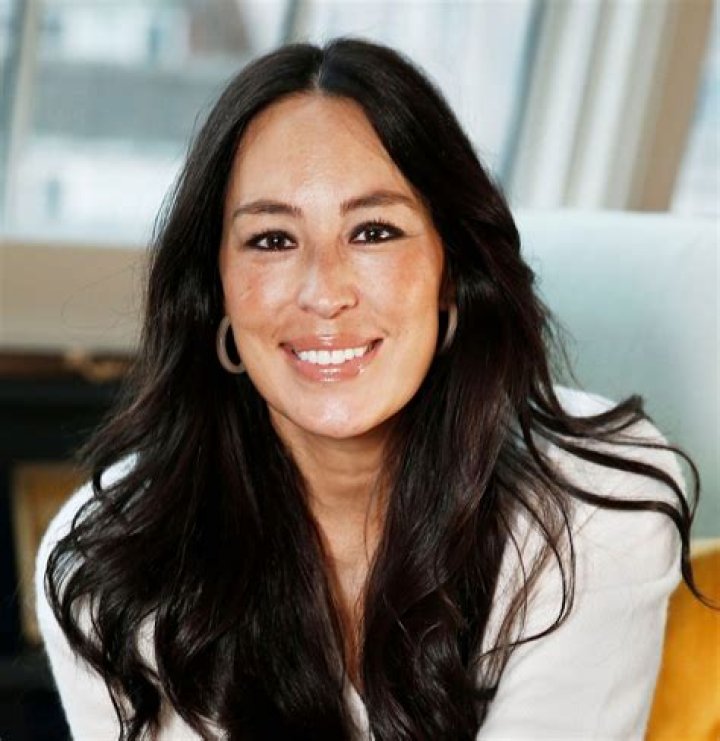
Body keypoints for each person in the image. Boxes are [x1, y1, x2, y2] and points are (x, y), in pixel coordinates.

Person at [35, 38, 699, 740]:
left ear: (452, 272)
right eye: (272, 240)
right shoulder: (108, 565)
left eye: (374, 231)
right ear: (216, 291)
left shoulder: (595, 495)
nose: (324, 292)